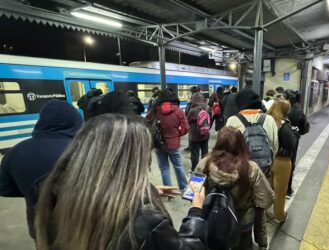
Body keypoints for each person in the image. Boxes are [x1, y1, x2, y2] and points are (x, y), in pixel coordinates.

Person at [35, 114, 207, 250]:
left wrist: (149, 191)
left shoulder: (54, 195)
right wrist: (196, 211)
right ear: (134, 161)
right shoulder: (147, 220)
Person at [0, 100, 83, 239]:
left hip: (40, 225)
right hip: (81, 225)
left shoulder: (15, 152)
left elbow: (4, 188)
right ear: (75, 120)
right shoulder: (86, 149)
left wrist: (31, 189)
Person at [195, 126, 274, 250]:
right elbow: (266, 200)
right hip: (242, 224)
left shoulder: (204, 164)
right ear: (242, 144)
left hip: (212, 220)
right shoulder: (251, 168)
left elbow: (192, 195)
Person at [147, 89, 189, 191]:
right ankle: (183, 187)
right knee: (178, 166)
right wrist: (177, 135)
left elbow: (148, 121)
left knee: (164, 168)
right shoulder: (178, 111)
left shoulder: (155, 110)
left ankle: (169, 191)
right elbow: (186, 128)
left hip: (159, 144)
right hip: (173, 145)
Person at [226, 88, 279, 157]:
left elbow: (228, 146)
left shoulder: (232, 120)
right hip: (264, 164)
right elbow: (275, 146)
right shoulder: (269, 119)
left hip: (240, 164)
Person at [267, 99, 296, 223]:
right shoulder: (284, 124)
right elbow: (291, 144)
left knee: (267, 188)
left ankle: (264, 214)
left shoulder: (267, 120)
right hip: (282, 161)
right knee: (280, 191)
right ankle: (279, 216)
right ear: (286, 110)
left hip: (268, 159)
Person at [284, 90, 310, 198]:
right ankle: (288, 190)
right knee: (290, 164)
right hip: (293, 142)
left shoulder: (281, 109)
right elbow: (305, 128)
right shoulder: (299, 111)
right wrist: (297, 132)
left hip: (279, 141)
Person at [187, 91, 211, 171]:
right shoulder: (207, 108)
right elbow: (209, 121)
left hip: (195, 136)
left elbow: (188, 121)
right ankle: (205, 168)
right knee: (205, 153)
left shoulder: (192, 110)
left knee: (195, 154)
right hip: (205, 134)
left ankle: (194, 169)